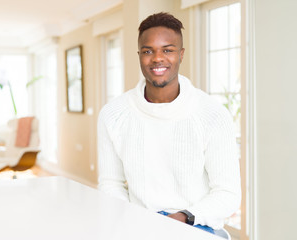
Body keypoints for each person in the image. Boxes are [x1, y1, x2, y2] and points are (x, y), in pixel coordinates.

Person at [97, 12, 241, 234]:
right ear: (139, 55)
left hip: (195, 224)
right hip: (139, 223)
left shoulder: (213, 115)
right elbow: (110, 183)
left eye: (168, 50)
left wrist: (181, 218)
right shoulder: (113, 115)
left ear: (181, 54)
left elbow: (228, 194)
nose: (157, 58)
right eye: (148, 51)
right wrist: (134, 220)